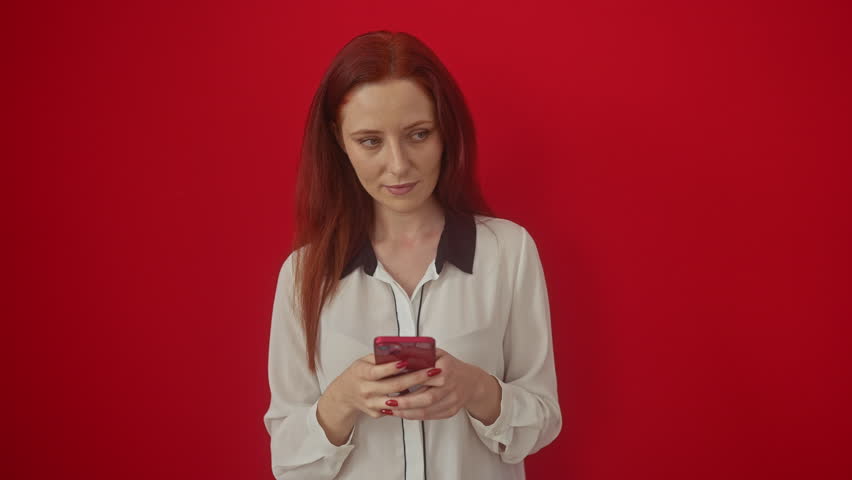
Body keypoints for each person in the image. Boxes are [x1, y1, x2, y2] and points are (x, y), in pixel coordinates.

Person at [262, 30, 561, 480]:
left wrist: (477, 390)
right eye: (370, 141)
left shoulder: (508, 251)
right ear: (339, 142)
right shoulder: (304, 273)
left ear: (445, 132)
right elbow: (287, 461)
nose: (399, 165)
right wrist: (341, 400)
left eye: (418, 134)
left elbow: (542, 422)